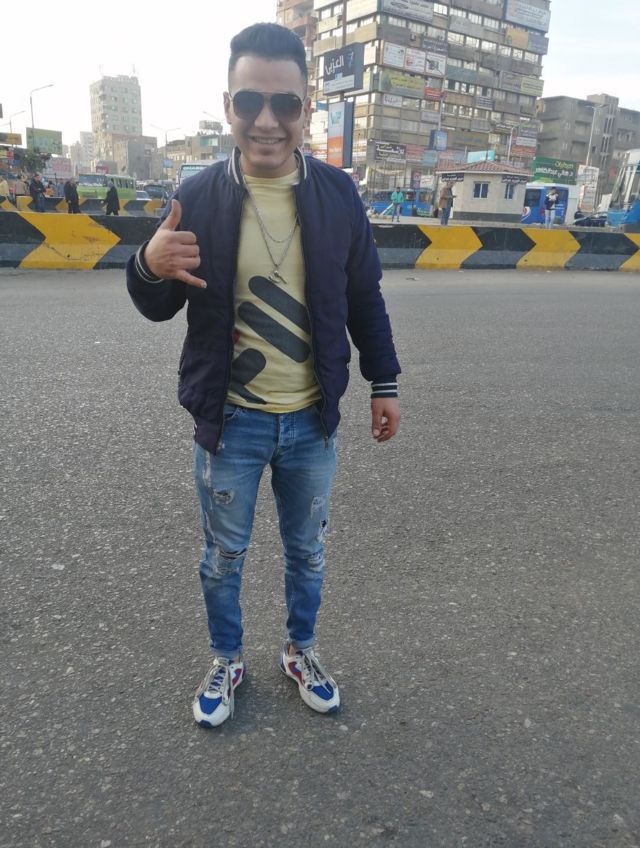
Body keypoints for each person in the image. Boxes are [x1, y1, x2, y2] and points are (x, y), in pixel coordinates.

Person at [126, 22, 401, 729]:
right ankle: (227, 658)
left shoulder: (337, 195)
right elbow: (157, 303)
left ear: (308, 109)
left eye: (286, 104)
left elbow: (365, 296)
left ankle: (300, 650)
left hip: (312, 420)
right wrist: (147, 265)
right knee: (223, 555)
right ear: (228, 105)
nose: (268, 121)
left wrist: (385, 383)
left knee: (308, 552)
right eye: (251, 101)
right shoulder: (199, 195)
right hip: (232, 423)